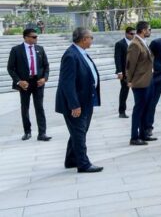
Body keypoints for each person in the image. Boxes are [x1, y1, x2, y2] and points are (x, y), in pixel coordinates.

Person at [55, 27, 102, 173]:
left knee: (79, 132)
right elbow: (67, 83)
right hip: (77, 103)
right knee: (79, 132)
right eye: (91, 37)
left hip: (86, 100)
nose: (92, 40)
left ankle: (71, 160)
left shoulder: (81, 52)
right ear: (83, 39)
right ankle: (83, 164)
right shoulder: (71, 55)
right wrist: (74, 105)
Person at [7, 28, 51, 141]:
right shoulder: (16, 50)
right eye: (34, 37)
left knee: (39, 107)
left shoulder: (40, 49)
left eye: (36, 36)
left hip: (38, 82)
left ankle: (42, 133)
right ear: (26, 37)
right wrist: (19, 81)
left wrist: (44, 78)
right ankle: (27, 132)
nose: (36, 38)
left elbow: (46, 66)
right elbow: (10, 68)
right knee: (25, 107)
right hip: (25, 84)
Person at [126, 21, 154, 145]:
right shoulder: (135, 44)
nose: (150, 31)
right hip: (139, 82)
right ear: (143, 30)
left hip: (147, 80)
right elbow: (130, 65)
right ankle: (134, 137)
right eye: (149, 29)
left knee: (145, 108)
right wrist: (129, 80)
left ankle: (143, 134)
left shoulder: (143, 42)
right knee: (139, 109)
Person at [114, 27, 135, 118]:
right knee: (124, 91)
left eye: (134, 34)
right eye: (131, 34)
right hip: (125, 72)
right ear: (126, 34)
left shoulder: (135, 43)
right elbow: (117, 58)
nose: (133, 35)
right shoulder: (120, 44)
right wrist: (119, 72)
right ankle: (122, 111)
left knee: (138, 91)